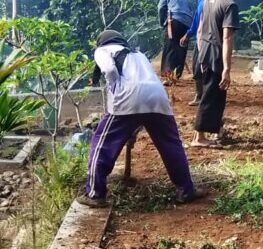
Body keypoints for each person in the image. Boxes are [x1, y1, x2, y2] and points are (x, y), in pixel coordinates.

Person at [77, 30, 205, 208]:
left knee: (101, 145)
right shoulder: (138, 54)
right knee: (171, 145)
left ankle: (95, 194)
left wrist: (114, 89)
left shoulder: (103, 50)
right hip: (158, 99)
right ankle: (186, 190)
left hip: (126, 100)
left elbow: (108, 69)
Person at [192, 0, 252, 148]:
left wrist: (201, 53)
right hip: (216, 54)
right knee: (211, 95)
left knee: (212, 94)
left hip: (205, 51)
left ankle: (214, 130)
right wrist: (227, 68)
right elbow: (227, 37)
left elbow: (201, 30)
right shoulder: (229, 5)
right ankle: (199, 137)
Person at [179, 0, 212, 106]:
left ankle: (204, 96)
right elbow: (196, 21)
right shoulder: (200, 1)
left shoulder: (210, 1)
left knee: (203, 68)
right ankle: (200, 95)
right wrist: (188, 34)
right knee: (197, 67)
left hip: (208, 40)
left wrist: (188, 34)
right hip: (200, 39)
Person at [158, 0, 194, 80]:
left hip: (174, 21)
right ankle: (177, 74)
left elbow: (161, 8)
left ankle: (168, 74)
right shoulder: (185, 0)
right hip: (187, 24)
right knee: (181, 48)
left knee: (170, 46)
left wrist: (162, 23)